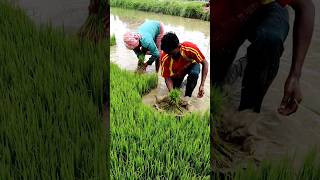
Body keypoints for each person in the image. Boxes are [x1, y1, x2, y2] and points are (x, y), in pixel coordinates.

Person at [212, 0, 315, 115]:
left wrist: (295, 75)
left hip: (268, 8)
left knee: (269, 40)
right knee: (215, 83)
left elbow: (306, 5)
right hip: (228, 14)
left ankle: (248, 113)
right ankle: (242, 65)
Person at [160, 32, 209, 98]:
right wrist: (172, 93)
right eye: (168, 53)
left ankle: (187, 97)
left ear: (179, 46)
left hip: (191, 64)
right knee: (175, 89)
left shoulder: (190, 48)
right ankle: (185, 82)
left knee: (194, 74)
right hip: (178, 70)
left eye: (172, 53)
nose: (170, 56)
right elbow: (167, 77)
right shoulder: (165, 57)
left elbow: (205, 63)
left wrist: (202, 85)